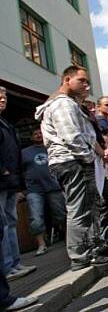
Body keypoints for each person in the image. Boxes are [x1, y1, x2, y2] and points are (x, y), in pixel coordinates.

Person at [35, 66, 108, 271]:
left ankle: (95, 248)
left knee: (90, 206)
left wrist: (96, 152)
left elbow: (86, 135)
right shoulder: (63, 104)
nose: (86, 85)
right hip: (71, 161)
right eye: (82, 81)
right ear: (67, 80)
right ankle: (80, 256)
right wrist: (88, 157)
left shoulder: (71, 104)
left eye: (87, 81)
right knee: (79, 208)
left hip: (75, 160)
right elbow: (71, 137)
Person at [0, 88, 37, 280]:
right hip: (3, 179)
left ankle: (14, 263)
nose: (2, 99)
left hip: (10, 182)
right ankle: (7, 267)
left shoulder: (6, 123)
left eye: (4, 96)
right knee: (3, 225)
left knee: (10, 222)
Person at [21, 129, 66, 256]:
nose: (38, 135)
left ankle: (69, 240)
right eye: (35, 134)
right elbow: (19, 171)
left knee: (61, 214)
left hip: (54, 186)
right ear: (31, 137)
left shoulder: (52, 147)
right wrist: (21, 189)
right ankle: (41, 244)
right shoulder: (24, 152)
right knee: (35, 217)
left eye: (40, 133)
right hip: (33, 189)